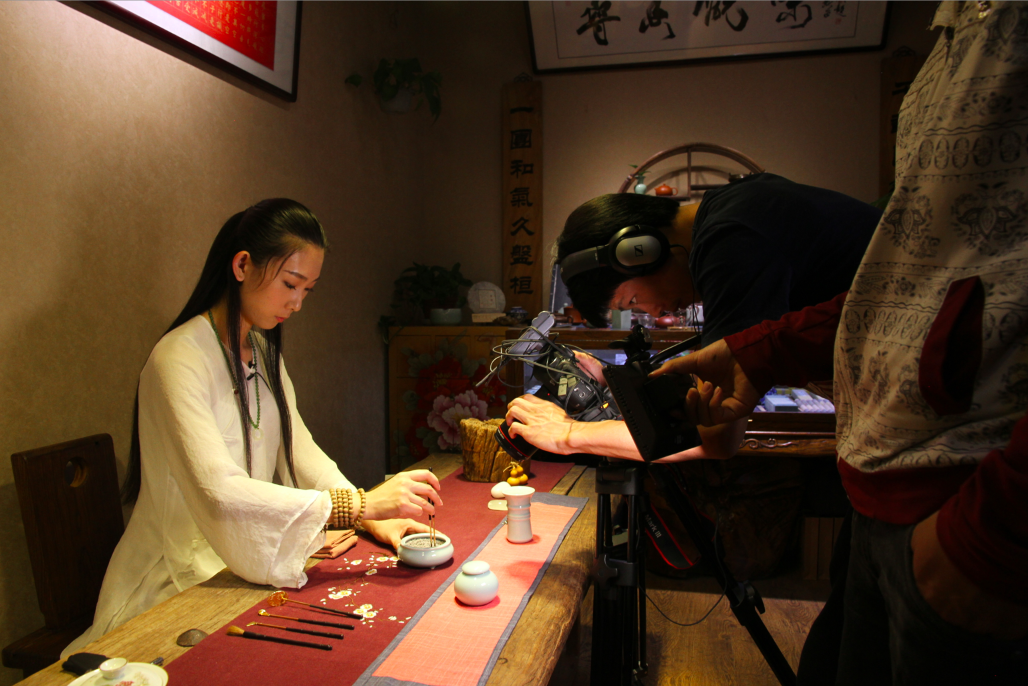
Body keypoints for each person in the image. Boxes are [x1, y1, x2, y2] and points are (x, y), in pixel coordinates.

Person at [654, 3, 1028, 681]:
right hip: (888, 484)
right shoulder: (951, 38)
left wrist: (998, 534)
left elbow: (720, 441)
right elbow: (910, 291)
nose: (647, 310)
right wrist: (763, 350)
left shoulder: (729, 231)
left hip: (972, 506)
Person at [64, 199, 441, 655]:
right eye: (290, 284)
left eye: (308, 290)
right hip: (177, 575)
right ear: (242, 265)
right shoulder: (177, 358)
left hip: (243, 558)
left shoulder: (262, 353)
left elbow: (300, 451)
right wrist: (359, 505)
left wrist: (372, 516)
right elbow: (219, 492)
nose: (297, 303)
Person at [507, 173, 880, 461]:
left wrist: (568, 435)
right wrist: (616, 383)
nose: (652, 313)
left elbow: (717, 438)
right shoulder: (732, 210)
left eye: (633, 300)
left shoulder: (733, 244)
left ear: (641, 251)